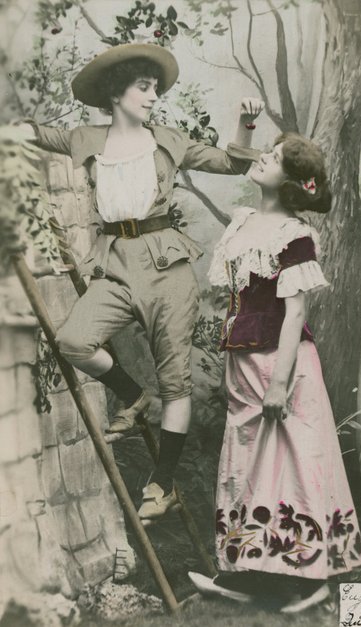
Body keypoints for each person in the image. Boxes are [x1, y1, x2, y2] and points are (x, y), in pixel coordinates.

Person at [19, 42, 263, 523]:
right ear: (116, 93)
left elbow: (232, 163)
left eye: (155, 89)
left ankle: (162, 481)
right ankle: (132, 395)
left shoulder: (168, 140)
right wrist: (17, 128)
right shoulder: (85, 138)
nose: (153, 97)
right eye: (144, 88)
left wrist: (246, 123)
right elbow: (38, 133)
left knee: (176, 381)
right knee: (72, 339)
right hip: (114, 263)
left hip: (166, 265)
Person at [189, 133, 361, 612]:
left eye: (272, 158)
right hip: (243, 363)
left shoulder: (294, 234)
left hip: (281, 365)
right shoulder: (245, 220)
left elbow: (293, 314)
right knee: (250, 468)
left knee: (296, 467)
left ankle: (319, 581)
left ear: (290, 182)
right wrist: (246, 132)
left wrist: (281, 384)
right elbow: (249, 160)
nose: (262, 158)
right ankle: (252, 576)